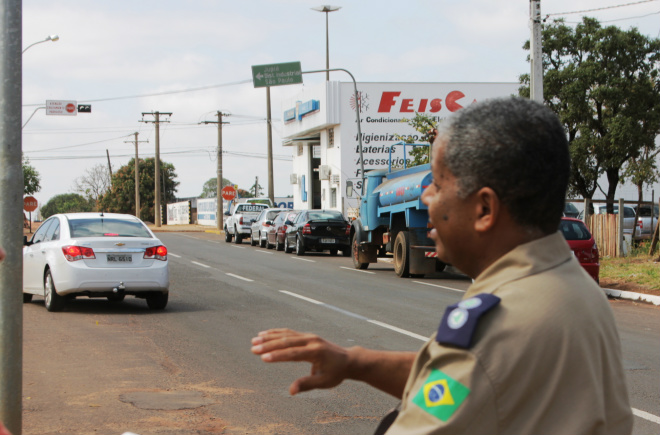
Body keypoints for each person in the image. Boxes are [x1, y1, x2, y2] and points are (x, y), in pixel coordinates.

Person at [251, 97, 633, 435]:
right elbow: (456, 384)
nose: (426, 196)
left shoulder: (499, 327)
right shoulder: (571, 285)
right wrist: (354, 362)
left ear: (484, 209)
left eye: (436, 183)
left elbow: (469, 374)